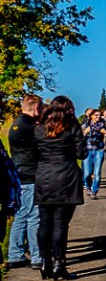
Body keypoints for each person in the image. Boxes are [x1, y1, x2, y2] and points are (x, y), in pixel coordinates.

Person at [33, 96, 87, 280]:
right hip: (66, 176)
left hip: (44, 176)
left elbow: (34, 153)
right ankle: (59, 263)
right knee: (61, 224)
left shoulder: (40, 128)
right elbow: (82, 153)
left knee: (44, 222)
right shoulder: (72, 127)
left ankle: (44, 261)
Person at [6, 94, 43, 269]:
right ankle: (37, 256)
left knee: (21, 215)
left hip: (19, 174)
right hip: (31, 175)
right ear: (36, 108)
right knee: (34, 217)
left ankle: (15, 254)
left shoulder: (16, 124)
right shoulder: (31, 127)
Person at [81, 108, 106, 199]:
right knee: (87, 173)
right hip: (88, 149)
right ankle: (88, 187)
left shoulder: (103, 125)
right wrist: (86, 132)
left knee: (97, 172)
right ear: (91, 116)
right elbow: (80, 137)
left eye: (99, 115)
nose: (98, 117)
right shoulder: (85, 125)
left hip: (99, 150)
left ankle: (94, 190)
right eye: (96, 115)